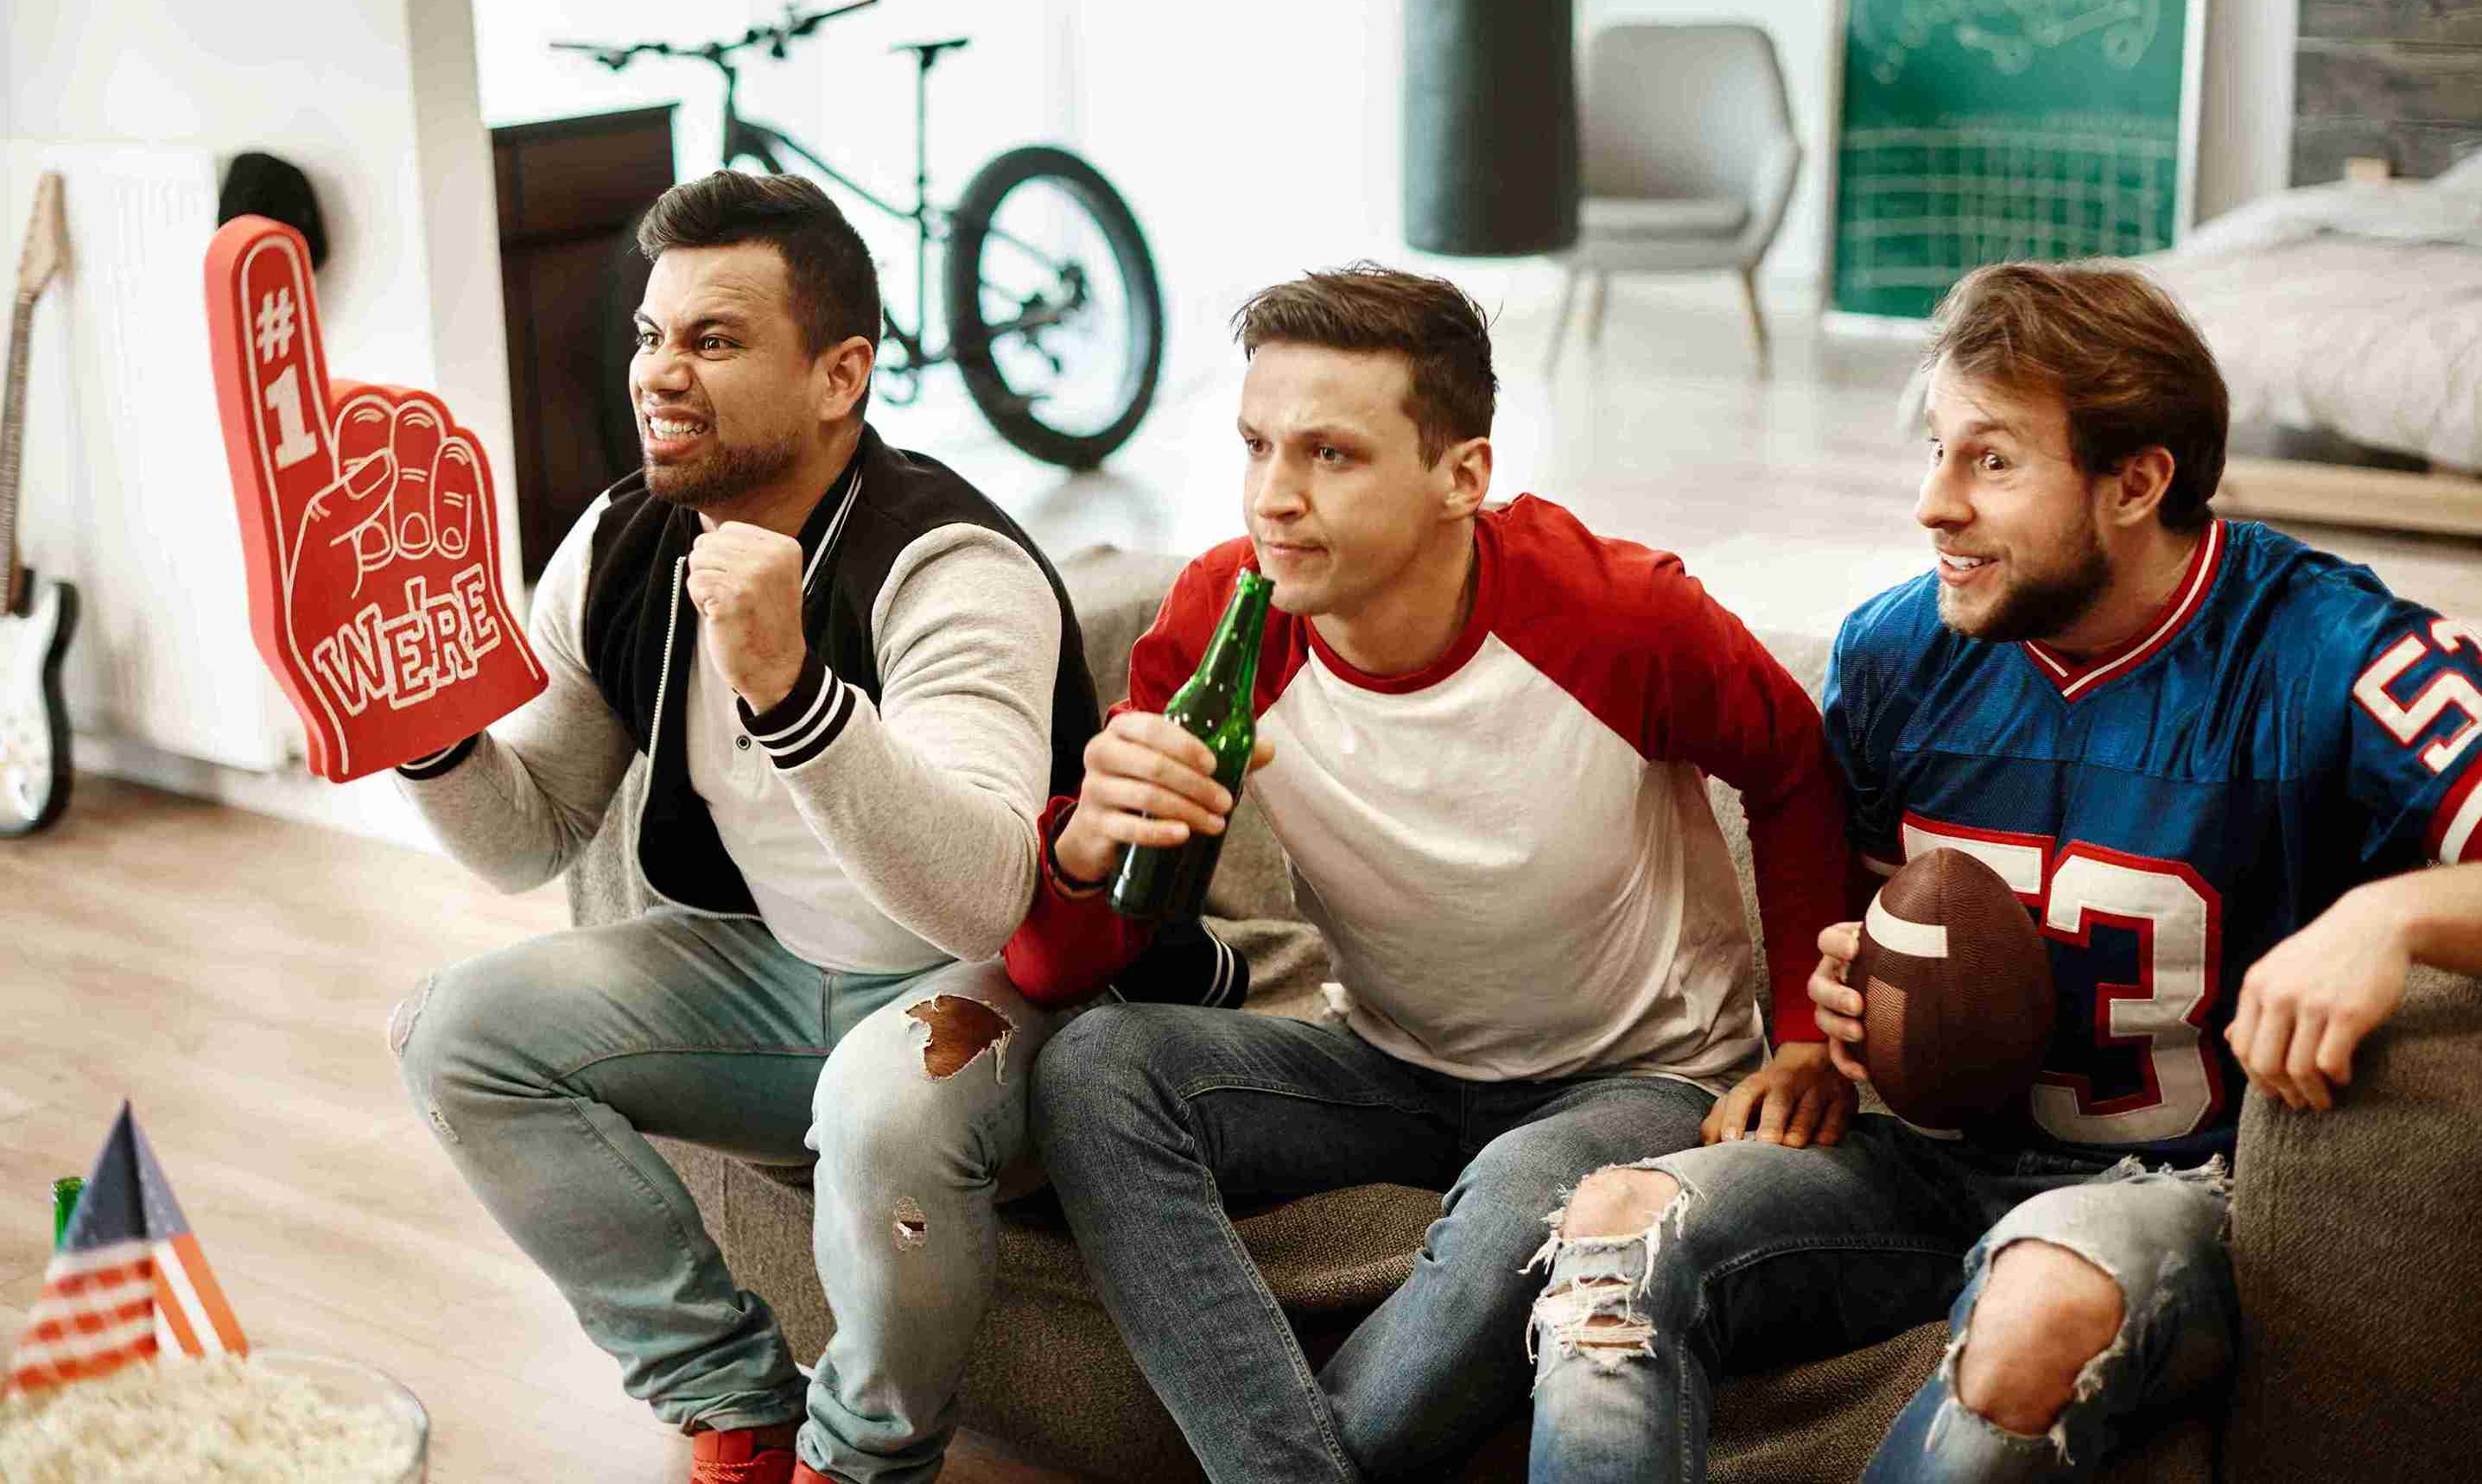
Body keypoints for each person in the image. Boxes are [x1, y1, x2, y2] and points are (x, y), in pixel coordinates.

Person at [1524, 261, 2482, 1483]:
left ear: (2135, 482)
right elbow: (1869, 913)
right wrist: (1842, 1011)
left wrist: (2393, 915)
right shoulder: (1896, 649)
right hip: (1925, 1162)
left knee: (2037, 1308)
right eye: (1936, 449)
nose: (1933, 504)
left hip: (2179, 1186)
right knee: (1612, 1234)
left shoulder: (2324, 649)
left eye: (1990, 460)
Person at [1006, 263, 1852, 1482]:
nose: (1273, 496)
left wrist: (1804, 1041)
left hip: (1639, 1079)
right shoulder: (1220, 623)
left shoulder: (1621, 615)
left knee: (1522, 1190)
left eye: (1330, 455)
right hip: (1383, 1064)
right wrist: (1084, 850)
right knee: (1094, 1067)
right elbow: (1055, 969)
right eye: (1255, 446)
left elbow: (1796, 768)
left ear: (1462, 476)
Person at [386, 169, 1100, 1484]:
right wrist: (419, 721)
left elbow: (988, 896)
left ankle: (863, 1459)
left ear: (840, 376)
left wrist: (791, 691)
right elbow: (529, 837)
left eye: (713, 340)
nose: (659, 373)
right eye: (652, 335)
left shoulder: (951, 566)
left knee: (886, 1106)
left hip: (987, 993)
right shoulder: (620, 540)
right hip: (766, 975)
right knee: (454, 1032)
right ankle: (732, 1400)